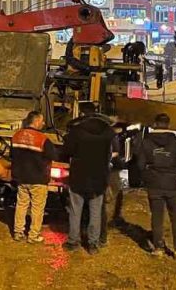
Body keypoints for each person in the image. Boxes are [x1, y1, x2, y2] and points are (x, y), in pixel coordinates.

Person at [138, 113, 176, 265]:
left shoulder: (146, 142)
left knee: (157, 217)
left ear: (155, 124)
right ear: (168, 125)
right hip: (174, 186)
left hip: (154, 185)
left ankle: (158, 249)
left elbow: (140, 165)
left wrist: (152, 167)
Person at [63, 102, 114, 253]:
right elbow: (109, 155)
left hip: (79, 176)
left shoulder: (77, 131)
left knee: (75, 210)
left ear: (82, 113)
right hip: (98, 178)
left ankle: (73, 241)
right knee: (95, 212)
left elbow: (67, 151)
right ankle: (93, 244)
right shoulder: (106, 132)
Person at [11, 110, 57, 244]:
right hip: (38, 179)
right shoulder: (42, 139)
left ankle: (18, 232)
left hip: (22, 178)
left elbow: (12, 155)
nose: (43, 123)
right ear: (36, 121)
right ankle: (33, 235)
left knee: (21, 205)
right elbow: (54, 156)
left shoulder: (16, 136)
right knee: (37, 208)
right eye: (42, 121)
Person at [98, 116, 129, 245]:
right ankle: (103, 233)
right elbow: (116, 153)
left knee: (99, 205)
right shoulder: (112, 136)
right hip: (109, 171)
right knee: (106, 202)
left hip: (96, 172)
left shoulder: (92, 136)